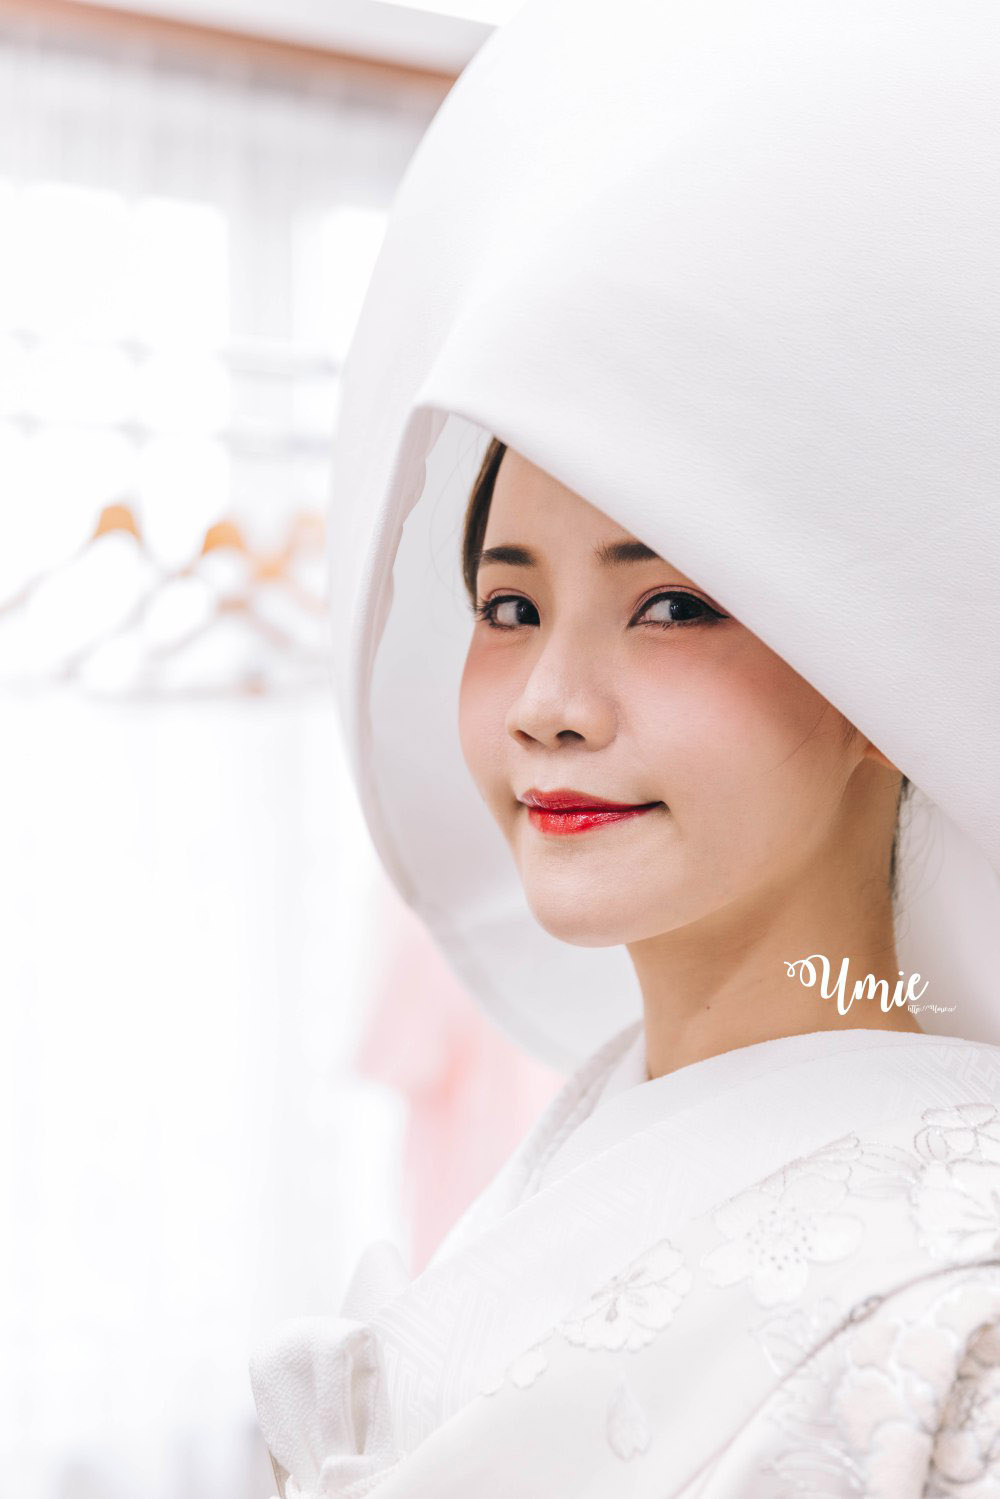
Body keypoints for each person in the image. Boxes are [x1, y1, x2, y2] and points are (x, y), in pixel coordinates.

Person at [249, 0, 1000, 1493]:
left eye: (670, 606)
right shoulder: (587, 1137)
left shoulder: (961, 1319)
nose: (550, 701)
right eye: (509, 605)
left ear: (868, 665)